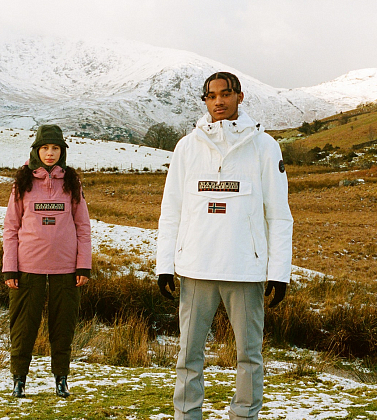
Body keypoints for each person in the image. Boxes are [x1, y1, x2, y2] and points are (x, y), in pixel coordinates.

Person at [156, 72, 293, 420]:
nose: (219, 101)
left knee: (249, 356)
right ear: (205, 100)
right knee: (188, 354)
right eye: (212, 95)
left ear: (240, 97)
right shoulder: (187, 147)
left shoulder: (264, 146)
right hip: (196, 267)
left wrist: (279, 272)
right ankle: (186, 414)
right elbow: (171, 211)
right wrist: (164, 265)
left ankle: (244, 415)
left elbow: (279, 215)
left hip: (244, 269)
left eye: (226, 94)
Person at [2, 124, 92, 398]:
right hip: (27, 268)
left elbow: (83, 227)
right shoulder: (22, 183)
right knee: (23, 327)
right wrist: (10, 268)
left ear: (62, 151)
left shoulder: (72, 183)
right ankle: (19, 379)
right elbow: (10, 228)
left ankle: (61, 379)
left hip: (66, 269)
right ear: (36, 151)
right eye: (45, 148)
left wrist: (83, 265)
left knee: (63, 327)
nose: (50, 153)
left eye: (55, 148)